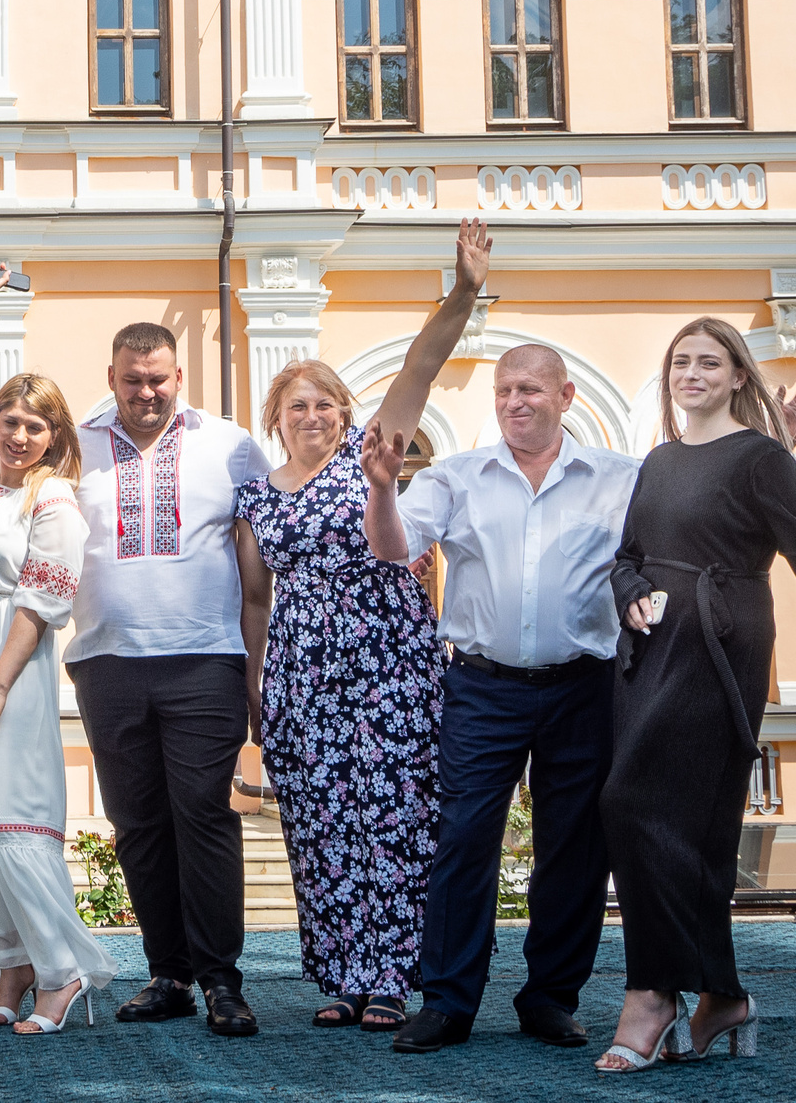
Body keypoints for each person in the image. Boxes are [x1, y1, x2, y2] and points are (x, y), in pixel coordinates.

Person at [376, 345, 796, 1057]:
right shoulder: (456, 476)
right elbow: (390, 544)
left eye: (529, 387)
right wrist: (380, 487)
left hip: (584, 687)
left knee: (577, 848)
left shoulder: (622, 477)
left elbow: (700, 495)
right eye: (503, 389)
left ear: (566, 393)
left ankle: (550, 997)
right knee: (464, 841)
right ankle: (447, 1002)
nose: (513, 400)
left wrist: (779, 442)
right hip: (480, 685)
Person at [595, 318, 796, 1073]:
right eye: (681, 361)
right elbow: (628, 555)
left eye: (710, 361)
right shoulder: (660, 459)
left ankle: (652, 992)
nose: (692, 373)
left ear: (740, 374)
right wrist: (630, 588)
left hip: (720, 644)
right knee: (677, 824)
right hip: (649, 651)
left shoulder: (762, 457)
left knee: (631, 800)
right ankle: (724, 997)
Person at [232, 219, 488, 1034]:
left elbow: (420, 363)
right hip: (303, 674)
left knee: (398, 816)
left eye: (326, 403)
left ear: (346, 413)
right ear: (278, 416)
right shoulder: (257, 497)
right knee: (320, 823)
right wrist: (257, 702)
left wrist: (465, 290)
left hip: (389, 661)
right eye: (297, 404)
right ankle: (341, 976)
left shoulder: (368, 455)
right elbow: (254, 602)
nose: (313, 414)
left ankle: (393, 977)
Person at [66, 321, 273, 1037]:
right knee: (138, 825)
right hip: (104, 659)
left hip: (205, 658)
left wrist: (256, 669)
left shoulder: (231, 444)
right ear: (114, 375)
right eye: (133, 379)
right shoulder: (77, 441)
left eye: (158, 379)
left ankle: (221, 979)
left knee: (206, 816)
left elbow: (258, 573)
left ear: (178, 377)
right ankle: (169, 974)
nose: (146, 392)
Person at [0, 261, 113, 1034]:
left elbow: (41, 604)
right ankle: (10, 962)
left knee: (13, 820)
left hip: (9, 665)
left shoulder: (55, 499)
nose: (17, 432)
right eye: (10, 420)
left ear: (55, 437)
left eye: (35, 425)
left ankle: (62, 974)